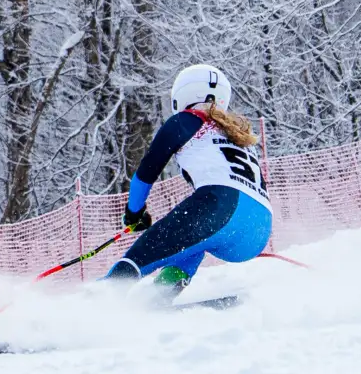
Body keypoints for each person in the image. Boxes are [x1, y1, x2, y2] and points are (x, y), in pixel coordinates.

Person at [104, 63, 272, 292]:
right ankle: (161, 293)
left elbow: (146, 173)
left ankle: (104, 296)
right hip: (259, 227)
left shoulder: (186, 120)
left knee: (148, 249)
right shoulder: (237, 134)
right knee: (193, 241)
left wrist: (134, 214)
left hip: (221, 205)